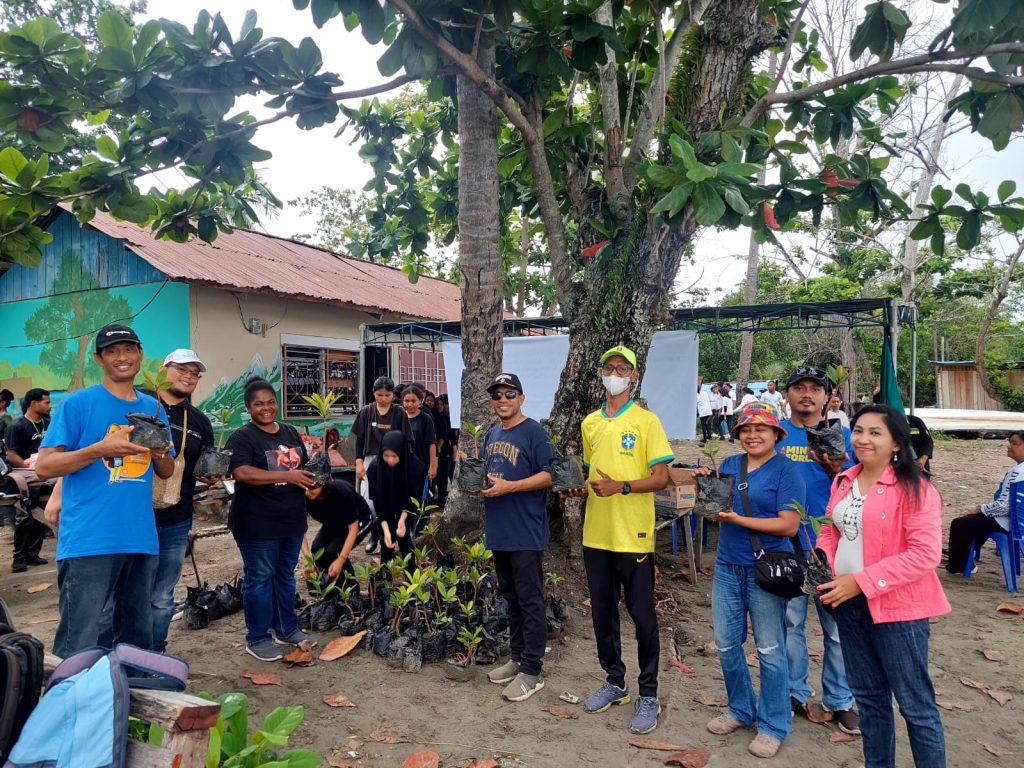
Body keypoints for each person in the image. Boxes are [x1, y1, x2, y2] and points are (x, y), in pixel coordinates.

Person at [817, 405, 950, 768]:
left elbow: (925, 555)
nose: (863, 439)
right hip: (846, 604)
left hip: (898, 610)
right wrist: (824, 564)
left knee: (915, 705)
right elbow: (831, 529)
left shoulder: (916, 489)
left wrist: (859, 582)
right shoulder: (844, 479)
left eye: (876, 432)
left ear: (896, 442)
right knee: (871, 702)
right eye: (859, 430)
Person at [35, 324, 175, 658]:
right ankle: (71, 706)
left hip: (140, 538)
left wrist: (160, 452)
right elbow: (45, 467)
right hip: (89, 540)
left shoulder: (154, 409)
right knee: (78, 643)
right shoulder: (78, 405)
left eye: (129, 350)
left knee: (136, 642)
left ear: (140, 354)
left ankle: (128, 705)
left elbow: (166, 470)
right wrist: (100, 448)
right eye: (112, 351)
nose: (122, 358)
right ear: (99, 359)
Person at [698, 402, 805, 759]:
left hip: (765, 568)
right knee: (727, 643)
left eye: (761, 429)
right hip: (728, 566)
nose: (753, 435)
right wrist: (706, 491)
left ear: (776, 433)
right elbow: (717, 509)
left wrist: (736, 520)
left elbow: (789, 524)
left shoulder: (787, 470)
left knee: (770, 649)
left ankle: (774, 724)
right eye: (746, 429)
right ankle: (740, 708)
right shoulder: (730, 465)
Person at [577, 345, 672, 735]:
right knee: (603, 614)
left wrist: (624, 487)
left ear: (633, 376)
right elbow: (589, 476)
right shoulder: (590, 423)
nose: (615, 373)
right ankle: (615, 681)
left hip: (633, 535)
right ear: (601, 373)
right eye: (609, 367)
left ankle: (648, 693)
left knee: (642, 616)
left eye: (623, 368)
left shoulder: (647, 421)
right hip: (596, 534)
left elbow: (663, 478)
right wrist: (577, 490)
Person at [776, 364, 860, 734]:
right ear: (787, 394)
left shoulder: (846, 439)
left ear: (828, 397)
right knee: (792, 622)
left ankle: (841, 699)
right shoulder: (775, 436)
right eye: (799, 388)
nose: (807, 394)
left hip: (832, 546)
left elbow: (863, 486)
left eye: (815, 388)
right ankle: (795, 692)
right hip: (788, 543)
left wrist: (837, 468)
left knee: (838, 629)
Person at [226, 377, 317, 661]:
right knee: (259, 579)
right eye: (258, 404)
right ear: (248, 408)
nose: (266, 408)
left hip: (291, 519)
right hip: (256, 523)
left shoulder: (290, 432)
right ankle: (258, 637)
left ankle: (286, 628)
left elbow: (300, 468)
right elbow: (241, 473)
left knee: (284, 576)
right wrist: (286, 476)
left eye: (270, 402)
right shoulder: (243, 436)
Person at [478, 373, 555, 703]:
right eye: (497, 395)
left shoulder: (534, 431)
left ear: (521, 398)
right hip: (500, 531)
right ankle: (518, 657)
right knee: (510, 597)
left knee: (530, 599)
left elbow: (552, 474)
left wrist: (511, 486)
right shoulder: (493, 433)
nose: (503, 399)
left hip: (525, 531)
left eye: (510, 394)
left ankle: (533, 671)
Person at [149, 350, 216, 653]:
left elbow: (203, 467)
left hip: (176, 519)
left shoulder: (199, 421)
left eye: (195, 374)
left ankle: (155, 654)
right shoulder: (140, 403)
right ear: (163, 369)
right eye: (182, 370)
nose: (189, 377)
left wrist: (212, 475)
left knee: (162, 594)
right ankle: (119, 655)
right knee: (124, 590)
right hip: (132, 516)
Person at [945, 430, 1024, 574]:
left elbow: (1005, 507)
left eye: (1015, 444)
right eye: (1010, 442)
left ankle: (959, 565)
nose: (1009, 446)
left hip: (1013, 522)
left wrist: (980, 508)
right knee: (976, 520)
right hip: (1017, 519)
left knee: (961, 523)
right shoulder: (1018, 470)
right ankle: (966, 556)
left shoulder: (1019, 473)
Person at [352, 376, 412, 554]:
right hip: (371, 460)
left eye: (387, 395)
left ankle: (394, 536)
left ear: (393, 395)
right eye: (380, 395)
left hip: (394, 461)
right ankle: (375, 534)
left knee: (392, 500)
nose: (383, 398)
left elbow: (407, 440)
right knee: (369, 502)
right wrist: (358, 462)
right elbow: (360, 438)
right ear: (373, 393)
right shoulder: (366, 412)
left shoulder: (399, 412)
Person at [5, 388, 52, 573]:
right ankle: (19, 557)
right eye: (46, 402)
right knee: (25, 517)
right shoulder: (16, 426)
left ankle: (33, 554)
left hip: (46, 476)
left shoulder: (48, 423)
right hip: (25, 478)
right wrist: (31, 469)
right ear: (34, 403)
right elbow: (11, 455)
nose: (50, 405)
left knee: (42, 514)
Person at [367, 430, 425, 563]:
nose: (390, 460)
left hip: (405, 506)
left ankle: (411, 578)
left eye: (394, 456)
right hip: (385, 508)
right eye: (386, 455)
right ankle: (385, 577)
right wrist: (386, 530)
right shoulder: (375, 468)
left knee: (405, 541)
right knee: (386, 542)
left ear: (402, 453)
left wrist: (402, 521)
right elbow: (377, 502)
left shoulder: (414, 467)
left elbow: (412, 498)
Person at [302, 478, 366, 587]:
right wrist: (309, 561)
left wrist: (341, 559)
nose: (307, 492)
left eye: (312, 487)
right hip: (334, 523)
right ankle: (329, 583)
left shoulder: (342, 491)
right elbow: (299, 530)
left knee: (333, 552)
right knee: (317, 552)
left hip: (358, 521)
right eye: (305, 487)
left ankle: (350, 588)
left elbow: (353, 528)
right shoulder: (303, 497)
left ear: (323, 484)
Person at [400, 383, 437, 508]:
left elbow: (432, 443)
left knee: (421, 500)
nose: (410, 404)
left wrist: (433, 466)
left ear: (420, 401)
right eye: (406, 401)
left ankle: (422, 526)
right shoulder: (399, 418)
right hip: (403, 466)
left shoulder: (425, 418)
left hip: (421, 466)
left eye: (413, 401)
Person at [696, 381, 713, 445]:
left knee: (703, 424)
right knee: (705, 423)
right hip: (708, 411)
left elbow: (695, 403)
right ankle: (709, 436)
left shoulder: (697, 395)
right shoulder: (705, 393)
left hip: (703, 412)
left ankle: (705, 439)